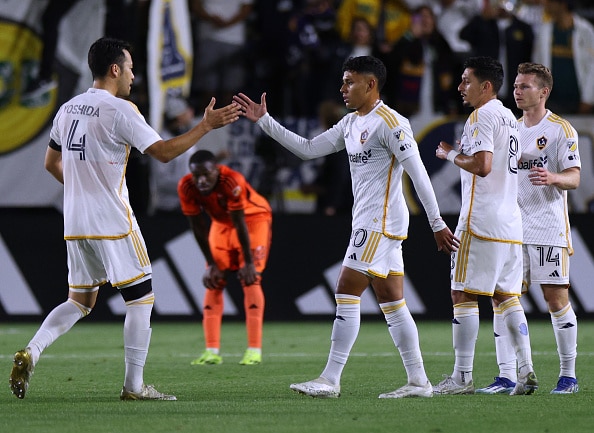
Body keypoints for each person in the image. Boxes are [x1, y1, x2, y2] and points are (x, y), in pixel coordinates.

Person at [8, 37, 240, 400]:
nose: (134, 75)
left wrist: (85, 186)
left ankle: (31, 351)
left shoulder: (67, 108)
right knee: (141, 298)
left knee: (80, 301)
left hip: (75, 221)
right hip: (113, 220)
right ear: (115, 69)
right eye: (130, 67)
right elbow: (162, 153)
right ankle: (133, 387)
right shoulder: (121, 110)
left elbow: (51, 164)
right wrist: (206, 126)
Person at [234, 55, 459, 399]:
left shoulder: (391, 122)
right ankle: (419, 381)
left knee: (345, 289)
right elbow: (308, 150)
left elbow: (418, 173)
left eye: (349, 82)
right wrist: (266, 121)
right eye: (342, 81)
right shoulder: (351, 123)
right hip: (370, 221)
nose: (342, 89)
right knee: (392, 301)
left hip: (378, 223)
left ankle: (330, 379)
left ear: (371, 84)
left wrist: (437, 222)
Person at [433, 56, 538, 396]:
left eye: (466, 81)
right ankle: (526, 371)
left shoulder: (481, 115)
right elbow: (515, 161)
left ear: (486, 86)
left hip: (481, 220)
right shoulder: (509, 116)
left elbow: (482, 166)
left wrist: (450, 155)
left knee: (461, 292)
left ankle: (462, 377)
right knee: (506, 297)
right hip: (510, 221)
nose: (461, 87)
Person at [476, 62, 580, 395]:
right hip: (512, 228)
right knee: (502, 298)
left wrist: (553, 177)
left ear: (544, 91)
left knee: (555, 298)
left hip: (548, 227)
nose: (517, 92)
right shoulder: (509, 128)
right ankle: (508, 376)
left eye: (525, 87)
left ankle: (568, 377)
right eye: (517, 86)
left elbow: (575, 177)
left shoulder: (561, 130)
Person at [178, 150, 272, 366]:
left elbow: (239, 222)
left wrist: (248, 263)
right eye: (196, 176)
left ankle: (254, 350)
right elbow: (198, 227)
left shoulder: (231, 180)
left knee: (251, 279)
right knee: (214, 281)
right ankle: (211, 351)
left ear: (216, 170)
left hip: (253, 219)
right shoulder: (186, 186)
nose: (201, 181)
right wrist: (210, 263)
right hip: (221, 224)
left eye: (206, 175)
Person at [459, 0, 534, 111]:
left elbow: (529, 59)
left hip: (515, 91)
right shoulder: (484, 25)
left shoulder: (523, 28)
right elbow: (463, 35)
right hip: (485, 91)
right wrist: (482, 17)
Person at [532, 0, 594, 114]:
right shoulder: (544, 31)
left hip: (579, 100)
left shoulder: (586, 31)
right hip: (552, 100)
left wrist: (588, 98)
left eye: (550, 2)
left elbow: (592, 67)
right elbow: (537, 65)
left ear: (562, 4)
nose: (546, 4)